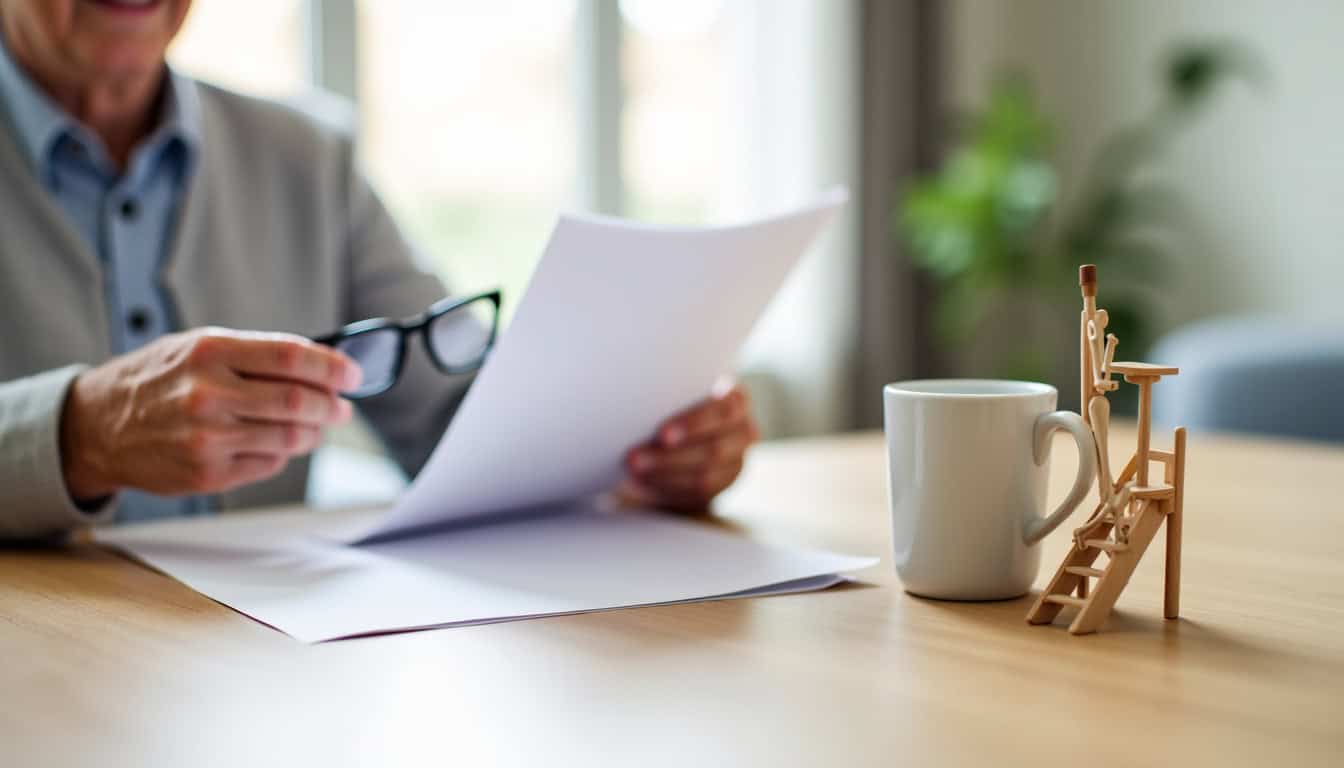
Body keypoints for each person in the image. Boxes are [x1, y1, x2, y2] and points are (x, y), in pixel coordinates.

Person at [0, 0, 758, 540]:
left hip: (254, 670)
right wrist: (76, 436)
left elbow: (456, 418)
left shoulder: (307, 157)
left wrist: (636, 451)